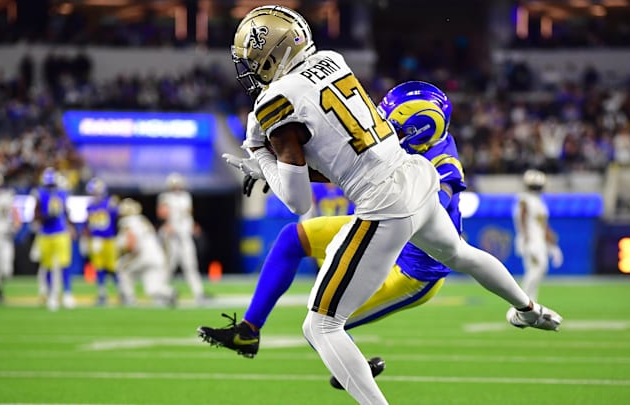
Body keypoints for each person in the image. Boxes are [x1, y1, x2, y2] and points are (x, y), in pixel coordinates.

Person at [201, 6, 562, 404]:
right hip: (414, 177)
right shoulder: (331, 61)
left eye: (254, 61)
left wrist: (262, 155)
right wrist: (272, 156)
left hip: (385, 207)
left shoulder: (273, 104)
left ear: (273, 55)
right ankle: (528, 309)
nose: (251, 70)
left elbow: (297, 199)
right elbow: (341, 156)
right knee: (461, 253)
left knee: (320, 325)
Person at [201, 81, 466, 389]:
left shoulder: (444, 162)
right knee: (292, 239)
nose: (385, 125)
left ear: (418, 128)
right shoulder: (412, 141)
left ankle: (351, 365)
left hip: (411, 270)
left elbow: (429, 207)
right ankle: (247, 332)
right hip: (379, 230)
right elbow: (346, 168)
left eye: (394, 121)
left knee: (321, 325)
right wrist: (275, 168)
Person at [512, 169, 563, 302]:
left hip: (538, 240)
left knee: (533, 269)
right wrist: (525, 237)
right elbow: (522, 218)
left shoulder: (539, 202)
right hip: (531, 240)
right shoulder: (524, 199)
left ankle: (531, 301)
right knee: (540, 266)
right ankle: (521, 298)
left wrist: (552, 243)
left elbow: (543, 225)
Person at [156, 172, 207, 304]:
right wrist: (167, 224)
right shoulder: (165, 197)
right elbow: (161, 213)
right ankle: (161, 292)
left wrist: (192, 224)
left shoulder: (186, 196)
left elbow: (188, 214)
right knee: (168, 266)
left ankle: (199, 293)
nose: (177, 187)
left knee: (191, 265)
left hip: (184, 235)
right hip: (172, 237)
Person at [116, 198, 177, 307]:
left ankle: (128, 298)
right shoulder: (143, 219)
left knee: (121, 267)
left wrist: (126, 252)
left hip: (141, 255)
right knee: (151, 289)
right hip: (157, 256)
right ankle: (169, 292)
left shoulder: (126, 222)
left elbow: (132, 242)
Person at [31, 167, 75, 311]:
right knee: (48, 266)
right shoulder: (39, 194)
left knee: (64, 264)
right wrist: (46, 216)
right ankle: (51, 295)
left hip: (61, 232)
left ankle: (67, 293)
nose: (51, 187)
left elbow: (67, 212)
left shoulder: (62, 194)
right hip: (46, 233)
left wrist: (71, 226)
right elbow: (35, 215)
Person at [82, 177, 120, 305]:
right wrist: (86, 238)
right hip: (96, 241)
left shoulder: (110, 203)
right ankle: (102, 293)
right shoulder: (90, 206)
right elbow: (87, 225)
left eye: (96, 191)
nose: (94, 194)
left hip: (109, 240)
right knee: (99, 268)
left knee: (113, 268)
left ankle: (121, 292)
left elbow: (117, 219)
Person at [0, 170, 21, 302]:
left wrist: (15, 226)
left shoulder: (6, 197)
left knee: (6, 270)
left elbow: (16, 215)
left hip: (5, 237)